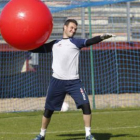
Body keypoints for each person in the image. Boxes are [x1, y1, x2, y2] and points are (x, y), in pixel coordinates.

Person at [31, 19, 114, 140]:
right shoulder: (55, 43)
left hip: (74, 82)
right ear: (64, 27)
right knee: (48, 110)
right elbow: (37, 48)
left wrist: (101, 37)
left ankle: (88, 135)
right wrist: (22, 45)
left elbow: (90, 41)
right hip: (57, 81)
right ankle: (42, 134)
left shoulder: (76, 42)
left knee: (86, 105)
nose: (73, 30)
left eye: (75, 29)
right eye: (71, 27)